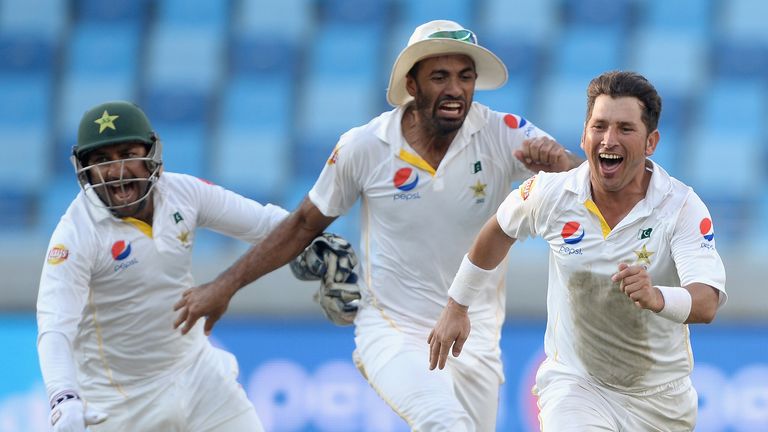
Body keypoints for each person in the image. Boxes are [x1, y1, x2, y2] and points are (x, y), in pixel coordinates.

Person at [173, 20, 581, 431]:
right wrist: (224, 286)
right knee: (446, 424)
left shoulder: (503, 132)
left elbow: (586, 187)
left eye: (465, 77)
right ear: (412, 85)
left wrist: (562, 164)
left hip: (474, 337)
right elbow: (302, 225)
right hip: (393, 330)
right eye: (439, 77)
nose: (456, 90)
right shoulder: (365, 146)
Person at [428, 71, 727, 431]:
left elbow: (707, 301)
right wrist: (457, 305)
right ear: (584, 134)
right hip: (576, 384)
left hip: (660, 400)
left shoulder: (681, 207)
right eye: (599, 126)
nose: (608, 139)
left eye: (625, 129)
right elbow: (498, 231)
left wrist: (656, 297)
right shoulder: (551, 193)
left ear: (651, 142)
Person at [36, 100, 293, 431]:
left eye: (128, 153)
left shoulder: (182, 193)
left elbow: (265, 224)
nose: (117, 171)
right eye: (102, 161)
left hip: (199, 378)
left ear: (151, 156)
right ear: (85, 171)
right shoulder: (75, 233)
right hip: (121, 405)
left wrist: (315, 237)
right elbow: (55, 327)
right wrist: (63, 397)